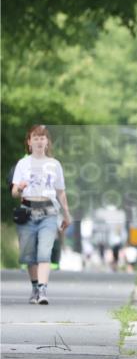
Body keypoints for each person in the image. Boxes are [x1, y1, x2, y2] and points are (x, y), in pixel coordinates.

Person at [11, 125, 72, 305]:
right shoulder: (22, 164)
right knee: (29, 255)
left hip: (48, 212)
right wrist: (19, 188)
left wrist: (67, 215)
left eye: (42, 138)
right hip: (27, 210)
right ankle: (35, 287)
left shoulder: (55, 165)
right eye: (35, 138)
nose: (39, 141)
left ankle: (43, 290)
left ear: (47, 142)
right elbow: (14, 192)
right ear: (29, 143)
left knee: (44, 252)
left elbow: (60, 192)